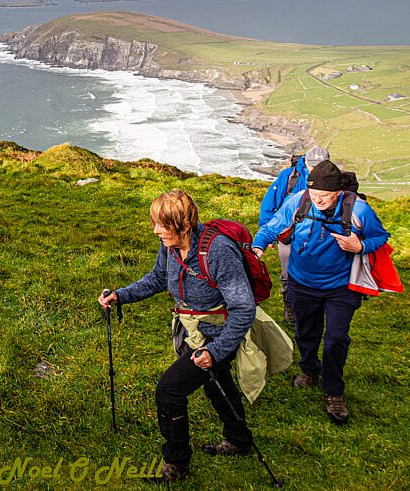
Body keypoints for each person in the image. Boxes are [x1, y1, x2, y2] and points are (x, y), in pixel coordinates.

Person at [98, 190, 255, 483]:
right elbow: (158, 278)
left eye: (162, 224)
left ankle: (176, 465)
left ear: (184, 224)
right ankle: (239, 439)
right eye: (155, 223)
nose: (156, 230)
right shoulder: (170, 246)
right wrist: (121, 296)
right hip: (191, 331)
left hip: (218, 334)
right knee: (216, 382)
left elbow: (244, 309)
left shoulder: (219, 251)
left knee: (169, 390)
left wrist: (216, 351)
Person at [252, 160, 389, 425]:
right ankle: (309, 370)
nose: (318, 201)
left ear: (338, 193)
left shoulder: (358, 209)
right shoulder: (299, 201)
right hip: (301, 282)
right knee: (306, 331)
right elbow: (272, 227)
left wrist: (359, 245)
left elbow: (381, 237)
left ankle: (333, 391)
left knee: (336, 337)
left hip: (341, 286)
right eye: (314, 195)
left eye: (324, 196)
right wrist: (258, 246)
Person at [259, 146, 330, 323]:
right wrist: (267, 232)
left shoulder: (334, 179)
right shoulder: (289, 177)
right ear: (305, 161)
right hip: (289, 235)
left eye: (320, 165)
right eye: (312, 165)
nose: (315, 169)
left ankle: (317, 309)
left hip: (321, 236)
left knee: (318, 272)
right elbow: (269, 204)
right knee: (289, 274)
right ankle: (290, 306)